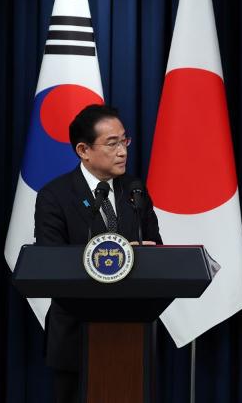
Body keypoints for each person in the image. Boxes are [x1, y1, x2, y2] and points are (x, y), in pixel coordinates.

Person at [34, 104, 162, 403]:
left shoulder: (135, 189)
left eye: (124, 140)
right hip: (74, 332)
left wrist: (146, 251)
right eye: (112, 143)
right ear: (83, 150)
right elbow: (50, 262)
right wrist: (109, 255)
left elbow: (155, 245)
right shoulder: (55, 195)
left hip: (131, 330)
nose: (122, 151)